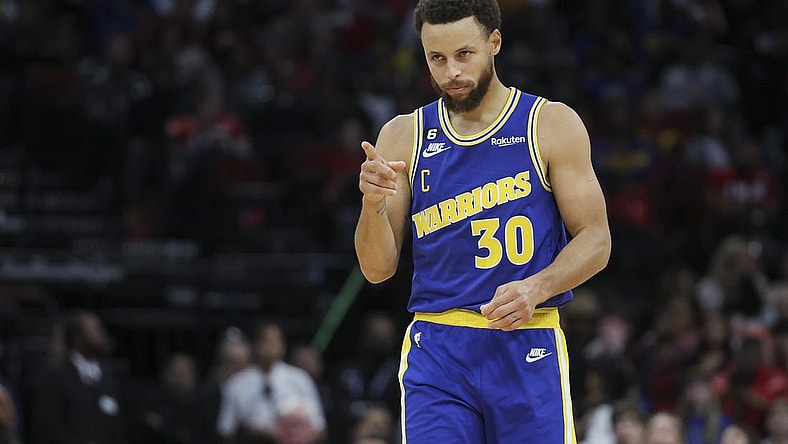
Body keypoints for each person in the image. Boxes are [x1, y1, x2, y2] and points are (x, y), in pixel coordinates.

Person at [354, 0, 611, 442]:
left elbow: (596, 239)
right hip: (438, 350)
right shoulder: (402, 134)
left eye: (463, 54)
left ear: (494, 42)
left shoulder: (549, 123)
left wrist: (537, 287)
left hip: (526, 339)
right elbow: (377, 270)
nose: (451, 71)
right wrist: (372, 203)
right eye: (437, 58)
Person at [28, 310, 128, 444]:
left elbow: (116, 420)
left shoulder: (107, 373)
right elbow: (48, 424)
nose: (101, 334)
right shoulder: (57, 374)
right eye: (94, 329)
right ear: (78, 337)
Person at [216, 322, 326, 444]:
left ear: (283, 346)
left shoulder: (300, 379)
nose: (270, 346)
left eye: (276, 341)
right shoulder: (236, 383)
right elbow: (226, 429)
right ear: (255, 345)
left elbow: (319, 427)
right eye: (266, 341)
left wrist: (293, 435)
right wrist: (256, 432)